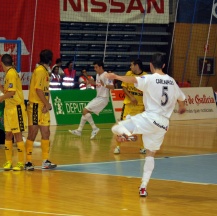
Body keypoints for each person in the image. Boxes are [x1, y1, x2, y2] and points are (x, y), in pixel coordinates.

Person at [107, 53, 186, 197]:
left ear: (150, 65)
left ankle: (131, 136)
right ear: (163, 65)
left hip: (150, 118)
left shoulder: (150, 79)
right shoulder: (172, 81)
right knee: (150, 154)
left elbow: (132, 79)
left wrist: (116, 77)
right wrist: (181, 106)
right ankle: (143, 186)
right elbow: (182, 99)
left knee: (116, 128)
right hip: (163, 125)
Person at [0, 54, 28, 171]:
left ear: (2, 64)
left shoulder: (12, 73)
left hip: (16, 108)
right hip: (8, 109)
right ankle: (8, 162)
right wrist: (1, 88)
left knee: (17, 135)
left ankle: (20, 163)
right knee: (8, 134)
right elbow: (9, 92)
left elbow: (12, 93)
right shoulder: (9, 74)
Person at [25, 49, 57, 170]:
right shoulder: (39, 71)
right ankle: (28, 162)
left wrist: (46, 104)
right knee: (32, 133)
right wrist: (46, 104)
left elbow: (44, 90)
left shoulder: (45, 71)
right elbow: (38, 90)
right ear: (50, 59)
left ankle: (45, 161)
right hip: (35, 106)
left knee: (46, 133)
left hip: (43, 106)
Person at [69, 60, 114, 139]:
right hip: (98, 97)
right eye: (94, 67)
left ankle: (94, 128)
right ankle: (79, 130)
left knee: (85, 110)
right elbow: (96, 84)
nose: (95, 69)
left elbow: (112, 87)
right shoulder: (97, 75)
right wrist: (88, 79)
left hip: (103, 98)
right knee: (85, 112)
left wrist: (105, 85)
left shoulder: (107, 75)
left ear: (100, 67)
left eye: (96, 67)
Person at [114, 59, 148, 155]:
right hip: (128, 105)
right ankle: (117, 147)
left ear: (137, 65)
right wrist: (131, 97)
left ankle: (142, 147)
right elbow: (124, 87)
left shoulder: (145, 76)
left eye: (131, 65)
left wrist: (146, 106)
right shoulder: (129, 74)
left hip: (140, 107)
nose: (130, 67)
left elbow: (148, 92)